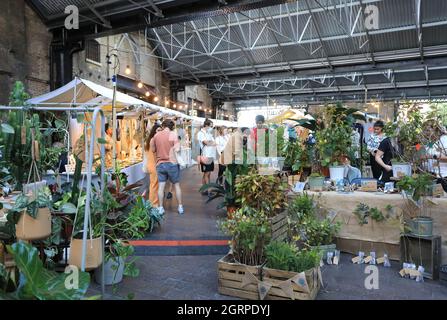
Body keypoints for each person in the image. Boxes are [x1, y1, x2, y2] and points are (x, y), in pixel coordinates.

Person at [150, 119, 184, 215]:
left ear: (163, 125)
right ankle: (180, 207)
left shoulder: (156, 135)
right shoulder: (173, 135)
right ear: (171, 127)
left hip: (160, 164)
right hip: (172, 163)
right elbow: (177, 149)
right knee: (176, 185)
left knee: (161, 186)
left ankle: (160, 208)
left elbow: (153, 150)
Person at [142, 123, 161, 206]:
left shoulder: (150, 139)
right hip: (154, 165)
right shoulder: (154, 140)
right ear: (154, 131)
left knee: (153, 185)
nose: (160, 132)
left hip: (151, 165)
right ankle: (154, 204)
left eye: (161, 130)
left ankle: (152, 202)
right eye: (158, 130)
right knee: (154, 185)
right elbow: (155, 154)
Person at [197, 119, 217, 196]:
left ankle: (204, 189)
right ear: (206, 125)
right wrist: (211, 143)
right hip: (205, 156)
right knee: (206, 173)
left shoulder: (209, 133)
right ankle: (209, 190)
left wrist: (211, 143)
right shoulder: (201, 133)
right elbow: (205, 142)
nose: (212, 128)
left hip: (210, 155)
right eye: (211, 126)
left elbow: (214, 142)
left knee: (208, 174)